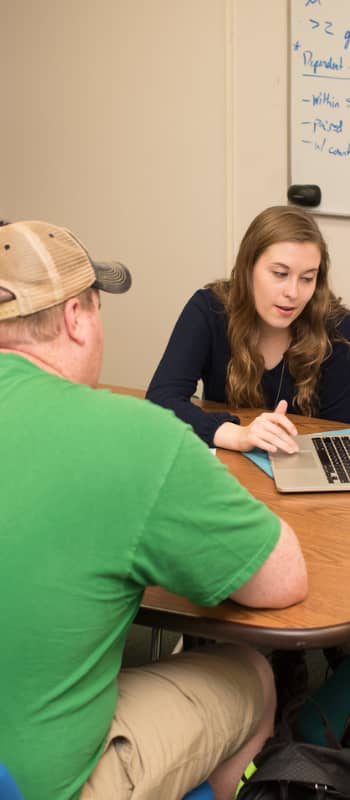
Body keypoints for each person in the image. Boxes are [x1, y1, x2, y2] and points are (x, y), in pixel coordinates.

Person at [0, 220, 307, 800]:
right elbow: (283, 579)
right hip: (40, 785)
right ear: (75, 316)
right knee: (253, 674)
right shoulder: (132, 435)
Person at [146, 205, 350, 451]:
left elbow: (338, 432)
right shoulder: (210, 309)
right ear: (248, 268)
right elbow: (161, 400)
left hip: (302, 466)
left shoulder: (337, 328)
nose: (293, 293)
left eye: (307, 278)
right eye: (280, 273)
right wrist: (236, 436)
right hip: (226, 467)